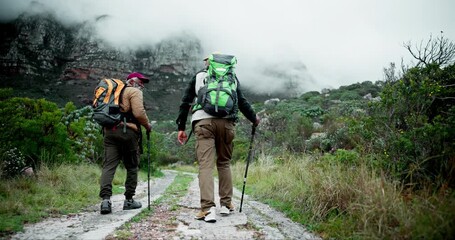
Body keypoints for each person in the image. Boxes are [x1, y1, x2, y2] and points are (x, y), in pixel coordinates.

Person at [176, 55, 260, 222]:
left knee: (206, 165)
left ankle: (207, 209)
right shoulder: (232, 78)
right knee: (224, 163)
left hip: (203, 122)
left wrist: (181, 127)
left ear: (208, 63)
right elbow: (242, 102)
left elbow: (185, 102)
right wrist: (254, 119)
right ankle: (226, 204)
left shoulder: (200, 76)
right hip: (227, 124)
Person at [99, 72, 152, 215]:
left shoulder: (111, 93)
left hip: (109, 132)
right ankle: (129, 200)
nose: (142, 85)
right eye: (140, 81)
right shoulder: (133, 91)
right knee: (132, 166)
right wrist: (148, 126)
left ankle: (105, 200)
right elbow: (139, 113)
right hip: (128, 132)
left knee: (109, 166)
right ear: (132, 81)